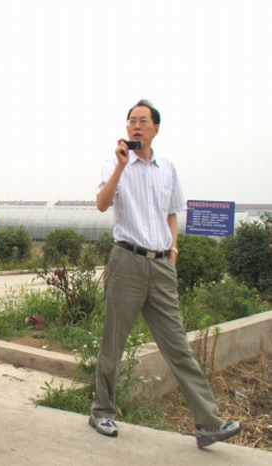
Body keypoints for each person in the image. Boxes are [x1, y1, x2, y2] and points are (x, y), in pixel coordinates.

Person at [90, 99, 241, 448]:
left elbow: (172, 213)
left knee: (178, 346)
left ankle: (208, 424)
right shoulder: (114, 163)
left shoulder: (167, 168)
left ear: (156, 129)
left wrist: (173, 249)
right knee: (114, 341)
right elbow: (101, 203)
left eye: (143, 120)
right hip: (127, 261)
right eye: (131, 120)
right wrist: (120, 167)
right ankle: (102, 411)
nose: (136, 126)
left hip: (160, 266)